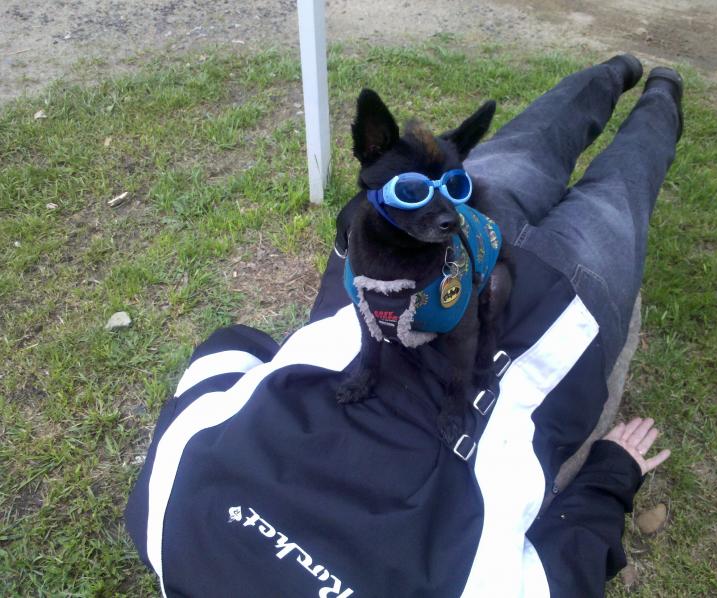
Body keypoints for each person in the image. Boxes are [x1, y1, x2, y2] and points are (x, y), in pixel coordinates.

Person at [126, 54, 681, 597]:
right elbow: (229, 352)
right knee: (540, 139)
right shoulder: (164, 520)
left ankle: (659, 86)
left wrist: (611, 475)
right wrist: (610, 476)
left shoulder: (162, 520)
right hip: (526, 305)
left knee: (621, 183)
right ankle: (625, 71)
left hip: (515, 293)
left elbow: (562, 573)